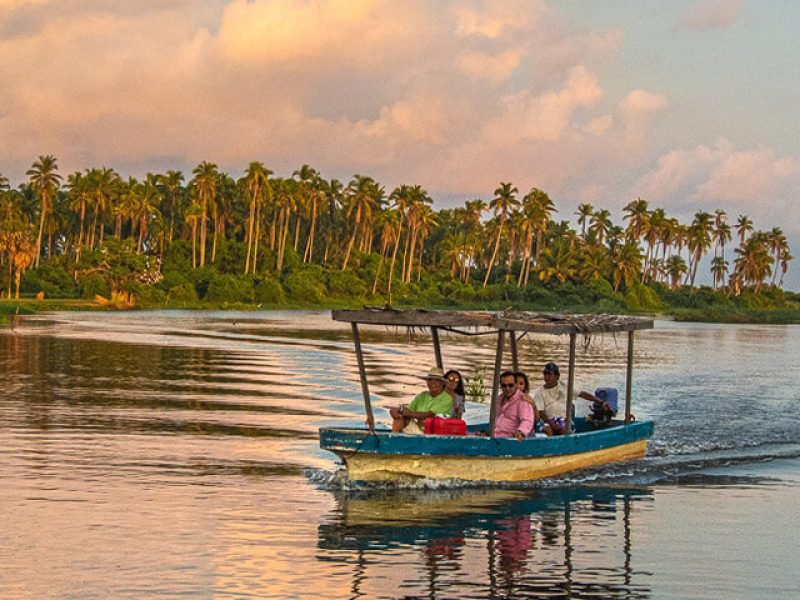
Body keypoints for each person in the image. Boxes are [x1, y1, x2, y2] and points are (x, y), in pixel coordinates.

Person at [533, 362, 599, 435]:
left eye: (549, 374)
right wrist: (552, 424)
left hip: (563, 419)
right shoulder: (540, 392)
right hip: (547, 420)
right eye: (545, 374)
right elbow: (541, 413)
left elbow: (582, 394)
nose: (546, 377)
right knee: (548, 430)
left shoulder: (563, 386)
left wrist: (600, 401)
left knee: (564, 429)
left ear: (557, 376)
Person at [390, 367, 453, 433]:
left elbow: (429, 415)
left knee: (403, 417)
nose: (432, 383)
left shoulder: (447, 398)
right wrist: (396, 411)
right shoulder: (423, 395)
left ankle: (392, 439)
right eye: (430, 380)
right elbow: (409, 410)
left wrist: (408, 413)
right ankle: (394, 437)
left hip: (433, 435)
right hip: (419, 431)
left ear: (442, 383)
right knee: (400, 418)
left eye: (437, 380)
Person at [491, 370, 534, 441]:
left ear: (516, 385)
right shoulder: (499, 399)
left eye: (510, 385)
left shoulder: (522, 400)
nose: (507, 388)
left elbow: (527, 420)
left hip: (510, 439)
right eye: (504, 386)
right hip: (495, 437)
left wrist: (521, 432)